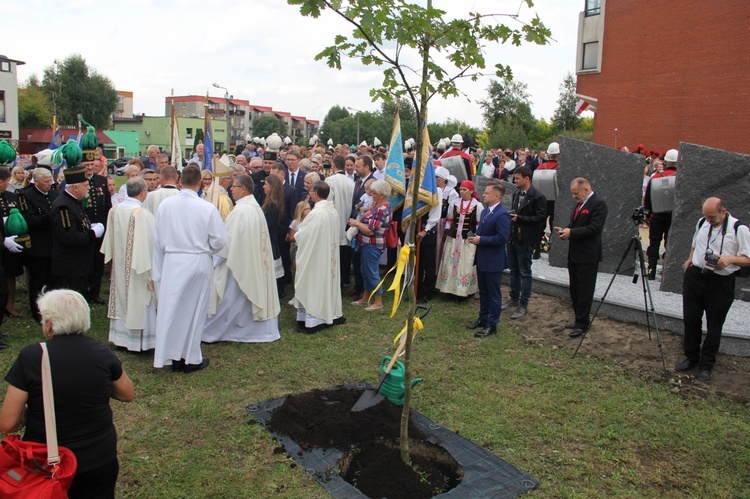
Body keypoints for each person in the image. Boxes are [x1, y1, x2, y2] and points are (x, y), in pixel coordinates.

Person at [0, 289, 135, 498]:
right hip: (99, 457)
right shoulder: (101, 352)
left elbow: (7, 424)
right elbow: (127, 394)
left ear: (49, 323)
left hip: (47, 461)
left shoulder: (33, 355)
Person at [152, 165, 227, 372]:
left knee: (171, 310)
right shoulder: (206, 208)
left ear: (179, 180)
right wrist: (207, 247)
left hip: (172, 261)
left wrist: (158, 269)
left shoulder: (165, 206)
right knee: (194, 311)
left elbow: (157, 239)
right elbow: (220, 240)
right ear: (199, 182)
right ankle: (189, 358)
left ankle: (173, 356)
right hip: (196, 261)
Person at [676, 197, 750, 381]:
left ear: (723, 212)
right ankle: (691, 356)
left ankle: (706, 364)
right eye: (706, 216)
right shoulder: (702, 222)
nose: (708, 220)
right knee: (691, 318)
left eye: (712, 217)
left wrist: (730, 259)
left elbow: (748, 258)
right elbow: (695, 242)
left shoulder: (738, 229)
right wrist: (690, 259)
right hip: (696, 276)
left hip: (720, 281)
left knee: (714, 324)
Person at [204, 174, 281, 343]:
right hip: (250, 260)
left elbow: (228, 241)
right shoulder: (254, 207)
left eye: (234, 186)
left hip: (239, 263)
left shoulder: (241, 211)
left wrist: (214, 259)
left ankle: (221, 331)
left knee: (230, 299)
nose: (231, 189)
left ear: (244, 189)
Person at [101, 178, 157, 352]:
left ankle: (121, 339)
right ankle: (140, 342)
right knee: (138, 296)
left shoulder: (114, 210)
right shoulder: (142, 214)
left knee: (122, 297)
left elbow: (109, 242)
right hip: (139, 268)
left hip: (119, 267)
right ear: (142, 192)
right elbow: (152, 243)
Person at [554, 177, 608, 338]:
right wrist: (566, 230)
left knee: (585, 290)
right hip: (575, 253)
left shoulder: (598, 204)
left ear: (586, 189)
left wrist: (572, 232)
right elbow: (577, 224)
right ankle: (578, 318)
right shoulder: (579, 203)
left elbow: (594, 228)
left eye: (576, 193)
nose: (574, 196)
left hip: (588, 255)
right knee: (575, 289)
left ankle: (583, 323)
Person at [50, 141, 106, 296]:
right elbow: (70, 237)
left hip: (77, 265)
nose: (88, 188)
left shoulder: (73, 202)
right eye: (85, 185)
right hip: (70, 266)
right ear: (75, 187)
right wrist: (92, 233)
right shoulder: (64, 206)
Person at [293, 181, 345, 333]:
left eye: (311, 192)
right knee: (327, 284)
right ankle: (330, 314)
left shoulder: (316, 213)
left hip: (316, 257)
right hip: (329, 255)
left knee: (313, 284)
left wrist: (297, 234)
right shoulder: (332, 211)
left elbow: (304, 234)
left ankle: (315, 318)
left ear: (315, 194)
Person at [465, 183, 511, 337]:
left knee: (493, 293)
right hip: (483, 258)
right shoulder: (485, 211)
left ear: (496, 196)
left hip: (493, 260)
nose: (483, 195)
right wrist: (475, 237)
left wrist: (481, 240)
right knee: (483, 292)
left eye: (486, 193)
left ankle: (492, 324)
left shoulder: (502, 214)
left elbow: (502, 237)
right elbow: (482, 231)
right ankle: (483, 318)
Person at [502, 166, 547, 319]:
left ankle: (523, 303)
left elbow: (540, 219)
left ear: (527, 179)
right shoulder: (516, 193)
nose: (515, 180)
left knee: (525, 272)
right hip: (513, 237)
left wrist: (520, 219)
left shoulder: (538, 197)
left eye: (518, 178)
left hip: (526, 240)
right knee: (513, 270)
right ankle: (514, 298)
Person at [17, 167, 59, 322]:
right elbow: (30, 220)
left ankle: (52, 308)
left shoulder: (55, 194)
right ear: (37, 181)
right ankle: (37, 311)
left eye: (50, 181)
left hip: (53, 244)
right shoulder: (26, 196)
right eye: (46, 182)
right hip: (38, 246)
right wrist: (50, 217)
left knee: (53, 279)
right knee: (38, 281)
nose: (50, 184)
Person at [348, 180, 392, 311]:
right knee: (365, 270)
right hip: (367, 244)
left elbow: (371, 231)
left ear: (382, 194)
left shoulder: (381, 209)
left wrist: (356, 223)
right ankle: (366, 297)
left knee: (371, 272)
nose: (371, 195)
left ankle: (378, 301)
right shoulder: (379, 206)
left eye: (374, 193)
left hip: (372, 245)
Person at [437, 180, 480, 297]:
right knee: (450, 262)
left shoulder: (477, 205)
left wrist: (473, 238)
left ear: (471, 191)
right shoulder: (454, 203)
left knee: (465, 263)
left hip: (468, 239)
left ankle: (463, 290)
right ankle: (448, 289)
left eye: (465, 190)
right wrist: (447, 234)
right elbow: (449, 220)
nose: (462, 192)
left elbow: (478, 225)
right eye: (460, 189)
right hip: (453, 238)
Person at [644, 148, 678, 279]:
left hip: (656, 217)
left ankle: (651, 271)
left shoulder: (655, 177)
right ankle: (666, 272)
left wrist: (648, 216)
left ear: (666, 162)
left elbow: (647, 198)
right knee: (670, 244)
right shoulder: (680, 178)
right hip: (672, 218)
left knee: (654, 244)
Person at [326, 155, 355, 286]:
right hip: (348, 219)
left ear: (333, 165)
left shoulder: (330, 180)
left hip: (334, 219)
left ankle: (335, 279)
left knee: (335, 249)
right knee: (346, 250)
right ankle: (345, 278)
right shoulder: (351, 182)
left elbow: (327, 201)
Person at [0, 167, 24, 318]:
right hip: (2, 240)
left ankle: (9, 304)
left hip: (11, 240)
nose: (8, 184)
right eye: (6, 181)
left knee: (11, 273)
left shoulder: (11, 197)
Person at [262, 175, 286, 294]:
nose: (263, 186)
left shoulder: (272, 205)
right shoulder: (271, 202)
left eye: (265, 184)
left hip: (270, 239)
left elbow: (268, 224)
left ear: (272, 187)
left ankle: (277, 289)